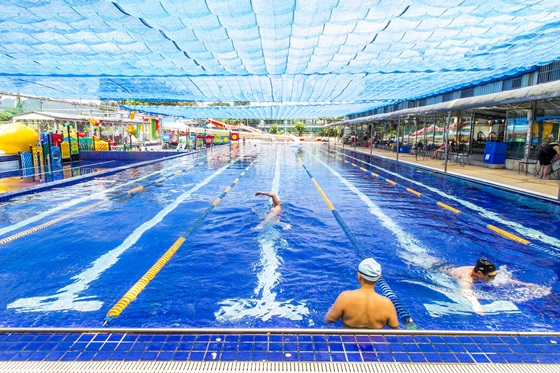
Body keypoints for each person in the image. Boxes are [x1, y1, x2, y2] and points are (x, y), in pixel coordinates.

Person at [325, 258, 399, 329]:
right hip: (375, 340)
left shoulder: (345, 298)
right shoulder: (387, 304)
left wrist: (332, 308)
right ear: (379, 277)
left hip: (348, 339)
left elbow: (329, 320)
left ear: (359, 276)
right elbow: (395, 328)